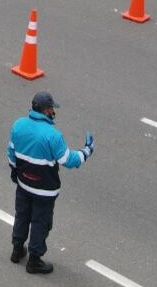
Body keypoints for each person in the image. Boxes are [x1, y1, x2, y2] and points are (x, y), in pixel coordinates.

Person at [7, 91, 94, 275]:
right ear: (46, 110)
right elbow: (69, 160)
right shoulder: (53, 136)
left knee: (21, 216)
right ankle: (34, 261)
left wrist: (15, 173)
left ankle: (16, 250)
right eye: (52, 108)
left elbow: (11, 153)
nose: (53, 111)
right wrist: (86, 151)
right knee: (40, 223)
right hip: (44, 191)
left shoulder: (18, 125)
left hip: (23, 185)